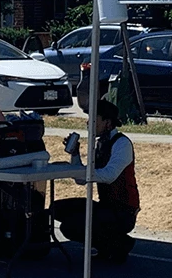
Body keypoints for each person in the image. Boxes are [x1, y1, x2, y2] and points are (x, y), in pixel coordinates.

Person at [54, 99, 140, 264]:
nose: (88, 123)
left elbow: (109, 175)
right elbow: (81, 179)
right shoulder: (100, 144)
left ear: (107, 122)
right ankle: (109, 244)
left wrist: (84, 172)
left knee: (70, 226)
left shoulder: (122, 144)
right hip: (106, 205)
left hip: (123, 211)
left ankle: (118, 244)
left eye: (94, 120)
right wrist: (75, 153)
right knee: (56, 209)